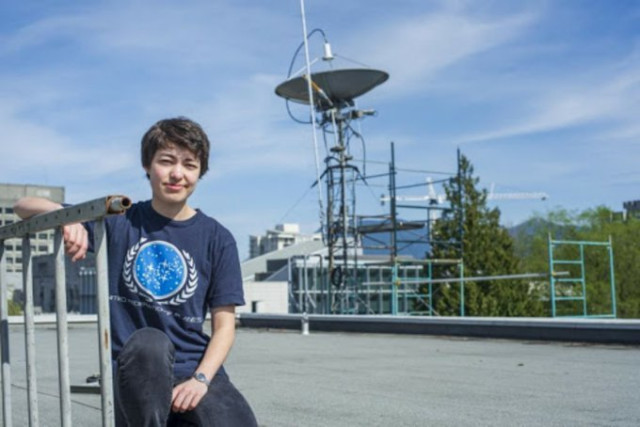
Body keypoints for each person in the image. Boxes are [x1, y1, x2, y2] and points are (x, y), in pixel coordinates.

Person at [14, 117, 258, 426]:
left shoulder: (217, 238)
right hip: (139, 371)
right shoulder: (120, 220)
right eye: (166, 161)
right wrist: (68, 217)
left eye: (189, 165)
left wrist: (201, 379)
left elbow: (224, 327)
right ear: (147, 165)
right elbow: (22, 206)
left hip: (195, 368)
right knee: (149, 342)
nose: (177, 174)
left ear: (200, 172)